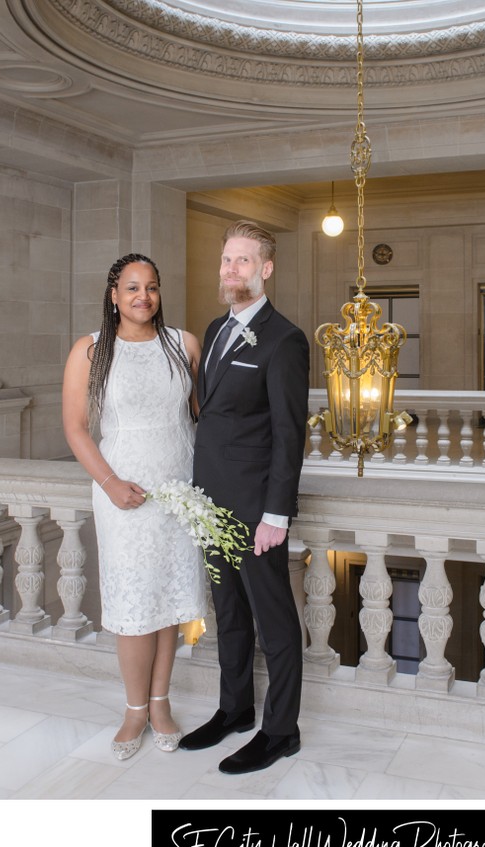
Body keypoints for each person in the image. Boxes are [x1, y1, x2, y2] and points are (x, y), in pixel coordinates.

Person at [62, 253, 206, 760]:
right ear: (113, 295)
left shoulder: (183, 344)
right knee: (133, 605)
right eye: (131, 288)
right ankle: (134, 710)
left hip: (178, 490)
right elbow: (76, 428)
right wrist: (109, 482)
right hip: (121, 491)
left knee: (169, 598)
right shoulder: (90, 350)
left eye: (151, 287)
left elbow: (200, 418)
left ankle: (161, 702)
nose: (143, 296)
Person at [179, 220, 310, 774]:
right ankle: (234, 709)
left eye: (242, 261)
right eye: (226, 260)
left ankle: (281, 731)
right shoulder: (214, 329)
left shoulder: (285, 339)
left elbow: (289, 432)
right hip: (209, 501)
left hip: (256, 508)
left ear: (266, 269)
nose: (230, 269)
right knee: (228, 613)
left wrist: (275, 514)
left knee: (273, 621)